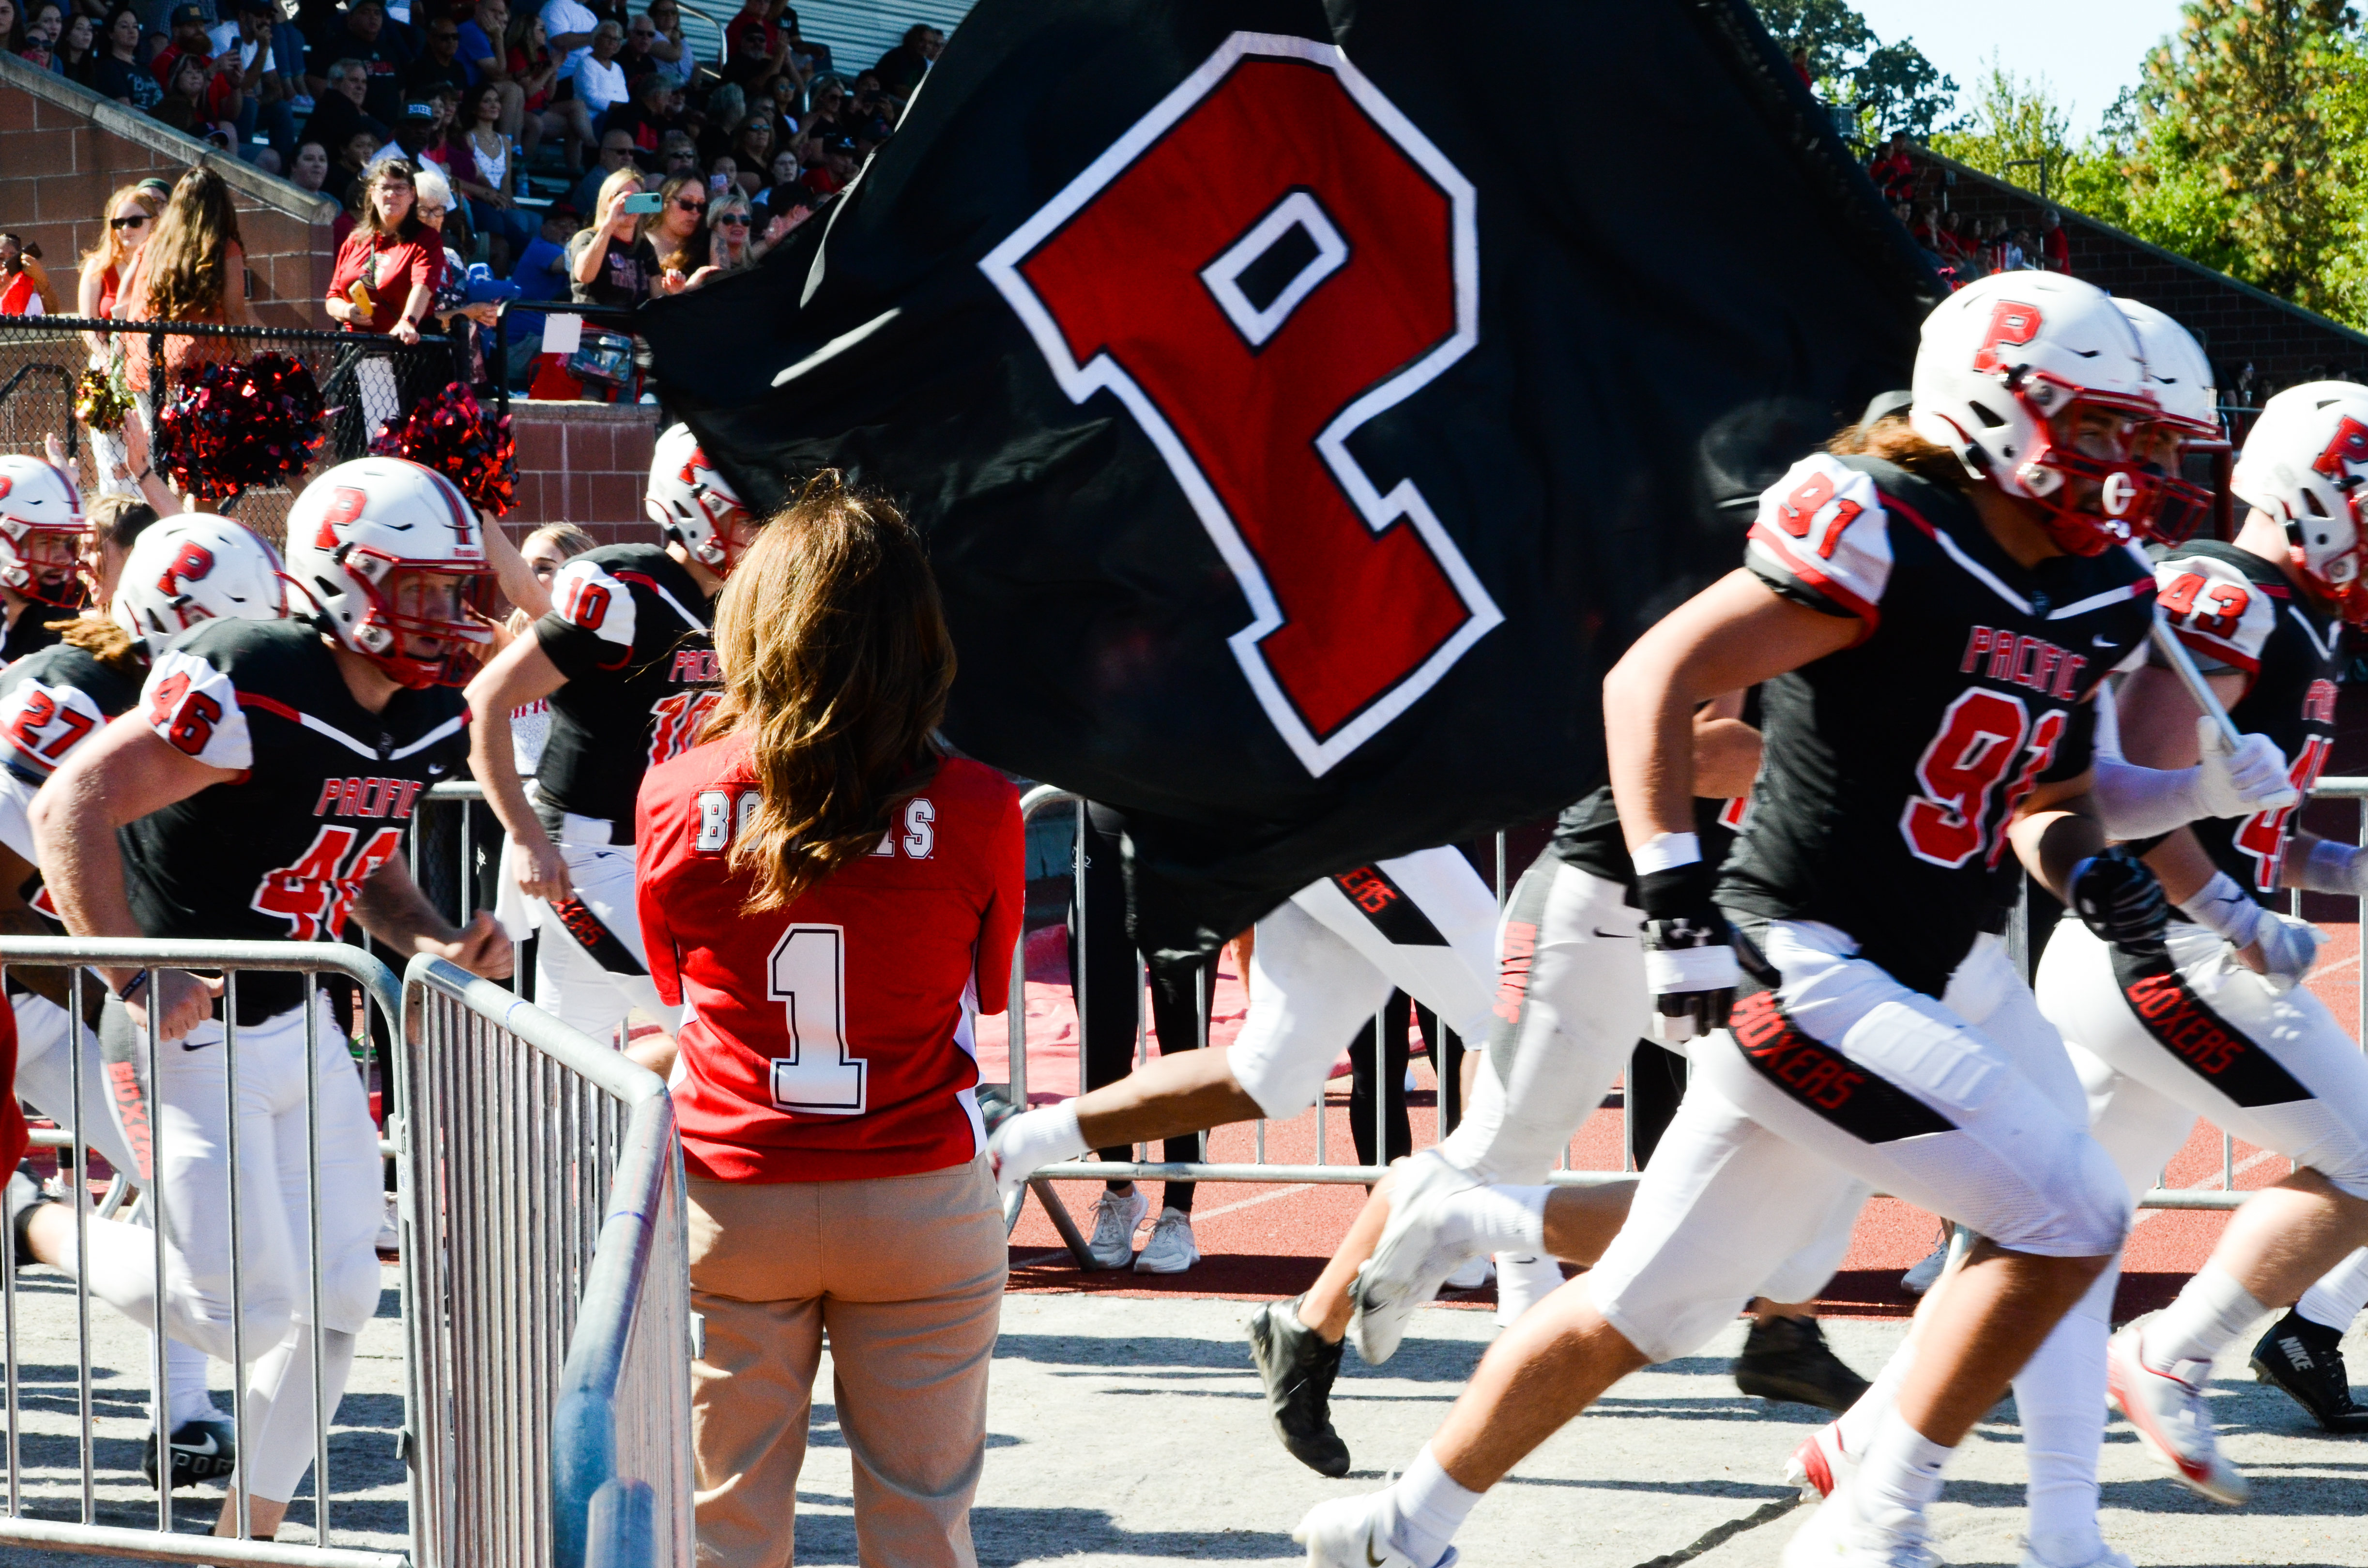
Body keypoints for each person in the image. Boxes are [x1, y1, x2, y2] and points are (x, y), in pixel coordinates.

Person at [1291, 271, 2168, 1568]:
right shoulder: (1884, 524)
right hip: (1803, 959)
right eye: (2099, 428)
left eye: (2140, 440)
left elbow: (2038, 794)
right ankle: (1879, 1516)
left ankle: (1393, 1523)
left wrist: (2104, 866)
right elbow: (1657, 672)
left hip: (1912, 969)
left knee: (1641, 1304)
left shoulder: (2097, 591)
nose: (2122, 466)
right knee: (2073, 1208)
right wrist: (1671, 894)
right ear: (1997, 405)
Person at [23, 456, 510, 1542]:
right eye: (416, 588)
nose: (440, 615)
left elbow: (360, 850)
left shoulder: (425, 713)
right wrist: (134, 966)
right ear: (343, 578)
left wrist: (442, 940)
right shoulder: (254, 674)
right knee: (234, 1315)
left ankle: (249, 1536)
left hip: (304, 1023)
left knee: (343, 1294)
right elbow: (71, 802)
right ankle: (32, 1220)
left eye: (450, 588)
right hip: (182, 1035)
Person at [1238, 703, 1874, 1479]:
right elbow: (1688, 742)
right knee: (1491, 1153)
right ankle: (1310, 1325)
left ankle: (1783, 1327)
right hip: (1600, 910)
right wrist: (1853, 765)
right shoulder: (1739, 597)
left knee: (1827, 1102)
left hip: (1708, 918)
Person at [636, 472, 1015, 1568]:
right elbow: (985, 991)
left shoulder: (671, 793)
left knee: (725, 1522)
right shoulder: (982, 803)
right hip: (914, 1190)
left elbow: (680, 992)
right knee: (922, 1523)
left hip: (733, 1190)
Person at [2032, 376, 2368, 1499]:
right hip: (2157, 950)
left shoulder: (2291, 610)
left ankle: (1873, 1444)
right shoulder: (2228, 592)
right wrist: (2227, 912)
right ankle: (2172, 1351)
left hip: (2141, 951)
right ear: (2315, 488)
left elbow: (2229, 815)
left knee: (2051, 1230)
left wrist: (2328, 865)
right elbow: (2138, 803)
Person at [0, 507, 285, 1489]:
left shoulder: (177, 703)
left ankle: (186, 1413)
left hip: (70, 994)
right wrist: (110, 971)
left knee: (195, 1193)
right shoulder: (72, 693)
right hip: (26, 988)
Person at [466, 425, 753, 1050]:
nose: (755, 531)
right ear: (693, 507)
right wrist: (526, 834)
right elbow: (486, 699)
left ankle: (558, 1151)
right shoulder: (628, 589)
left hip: (657, 855)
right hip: (586, 859)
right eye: (741, 514)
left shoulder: (730, 605)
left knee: (573, 1063)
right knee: (715, 1032)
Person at [114, 167, 249, 463]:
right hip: (200, 369)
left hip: (148, 369)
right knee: (201, 467)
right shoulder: (223, 248)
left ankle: (172, 509)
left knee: (165, 461)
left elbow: (123, 301)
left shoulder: (152, 246)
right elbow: (236, 314)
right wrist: (250, 368)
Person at [76, 183, 164, 498]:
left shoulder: (161, 266)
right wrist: (107, 360)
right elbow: (89, 328)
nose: (125, 229)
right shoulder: (99, 268)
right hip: (108, 370)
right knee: (113, 463)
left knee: (153, 460)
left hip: (150, 373)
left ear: (153, 222)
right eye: (118, 223)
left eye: (135, 221)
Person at [326, 157, 435, 344]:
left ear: (412, 195)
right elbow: (332, 297)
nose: (392, 194)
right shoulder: (354, 241)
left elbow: (423, 285)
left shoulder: (426, 239)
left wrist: (407, 322)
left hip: (404, 348)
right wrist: (347, 312)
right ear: (372, 194)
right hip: (357, 350)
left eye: (400, 188)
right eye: (384, 187)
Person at [445, 80, 536, 265]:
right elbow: (472, 176)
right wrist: (492, 197)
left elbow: (506, 184)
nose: (495, 105)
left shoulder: (505, 141)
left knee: (533, 220)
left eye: (497, 101)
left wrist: (509, 201)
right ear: (474, 108)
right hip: (478, 199)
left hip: (498, 200)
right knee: (506, 226)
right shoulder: (467, 139)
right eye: (487, 101)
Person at [303, 0, 401, 124]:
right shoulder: (335, 46)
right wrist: (346, 110)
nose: (373, 17)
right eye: (366, 12)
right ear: (350, 17)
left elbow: (401, 87)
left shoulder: (387, 50)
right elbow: (315, 80)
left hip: (392, 127)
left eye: (377, 13)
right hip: (353, 124)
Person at [565, 164, 648, 309]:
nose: (628, 204)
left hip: (628, 328)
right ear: (607, 201)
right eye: (621, 197)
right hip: (590, 325)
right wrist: (609, 225)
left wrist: (682, 289)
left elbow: (658, 296)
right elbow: (584, 275)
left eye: (637, 199)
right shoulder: (587, 237)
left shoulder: (644, 246)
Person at [506, 9, 579, 170]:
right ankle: (520, 172)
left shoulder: (541, 55)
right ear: (528, 32)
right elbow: (529, 93)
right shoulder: (517, 54)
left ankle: (576, 178)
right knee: (536, 125)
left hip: (540, 108)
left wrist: (554, 69)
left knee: (576, 122)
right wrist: (548, 70)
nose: (546, 33)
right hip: (523, 110)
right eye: (541, 29)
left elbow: (550, 96)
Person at [300, 57, 390, 170]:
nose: (360, 87)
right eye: (354, 80)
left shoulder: (333, 104)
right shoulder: (338, 108)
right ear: (335, 83)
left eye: (364, 82)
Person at [639, 170, 708, 294]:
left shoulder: (710, 240)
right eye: (686, 203)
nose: (695, 211)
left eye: (701, 206)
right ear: (665, 201)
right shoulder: (638, 241)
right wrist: (687, 289)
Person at [95, 3, 164, 107]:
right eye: (124, 26)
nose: (132, 31)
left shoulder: (146, 69)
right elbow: (124, 108)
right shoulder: (109, 67)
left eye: (135, 27)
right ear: (111, 34)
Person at [561, 15, 625, 125]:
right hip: (592, 119)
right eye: (607, 37)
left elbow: (623, 96)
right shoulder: (586, 63)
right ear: (596, 39)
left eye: (616, 40)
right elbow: (590, 98)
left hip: (616, 116)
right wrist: (620, 107)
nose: (612, 43)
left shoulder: (617, 68)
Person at [869, 20, 937, 97]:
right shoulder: (898, 57)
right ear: (912, 40)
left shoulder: (922, 62)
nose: (926, 46)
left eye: (930, 43)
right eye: (922, 41)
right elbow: (901, 90)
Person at [704, 190, 754, 275]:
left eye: (745, 219)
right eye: (730, 219)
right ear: (713, 225)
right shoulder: (703, 269)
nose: (739, 224)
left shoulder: (758, 264)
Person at [0, 233, 47, 319]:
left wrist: (40, 277)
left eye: (12, 258)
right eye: (1, 258)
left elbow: (54, 312)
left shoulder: (33, 301)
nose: (5, 264)